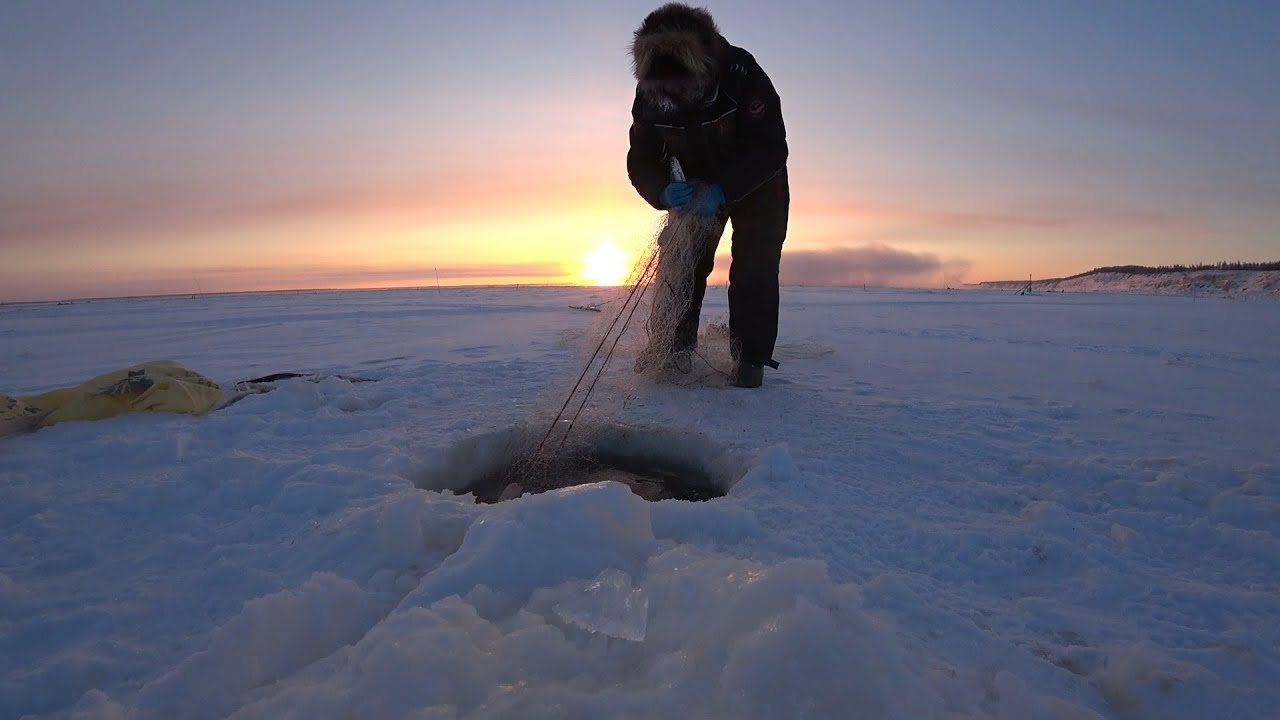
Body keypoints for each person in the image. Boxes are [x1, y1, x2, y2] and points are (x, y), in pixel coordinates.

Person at [627, 2, 789, 389]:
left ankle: (751, 360)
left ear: (698, 66)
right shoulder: (649, 97)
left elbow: (771, 148)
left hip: (758, 183)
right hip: (694, 187)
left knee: (755, 266)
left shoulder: (741, 73)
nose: (673, 93)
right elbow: (641, 159)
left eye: (679, 83)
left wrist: (724, 190)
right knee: (681, 263)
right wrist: (663, 191)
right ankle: (672, 349)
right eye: (664, 86)